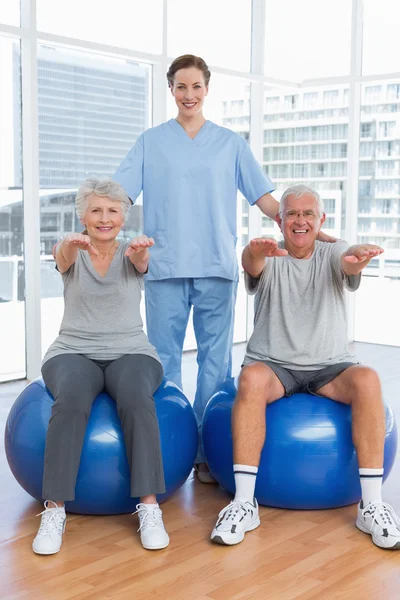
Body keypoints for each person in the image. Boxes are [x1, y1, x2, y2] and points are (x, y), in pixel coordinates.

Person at [113, 55, 335, 481]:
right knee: (164, 362)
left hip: (216, 265)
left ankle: (208, 453)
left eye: (196, 87)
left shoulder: (230, 144)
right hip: (165, 266)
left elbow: (265, 199)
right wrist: (97, 228)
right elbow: (120, 196)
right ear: (171, 90)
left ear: (207, 89)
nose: (189, 95)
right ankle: (172, 452)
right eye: (181, 87)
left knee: (215, 366)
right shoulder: (150, 142)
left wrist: (301, 226)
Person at [211, 184, 400, 550]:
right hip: (273, 363)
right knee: (249, 378)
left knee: (369, 380)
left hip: (330, 365)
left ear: (321, 220)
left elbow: (347, 260)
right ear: (280, 220)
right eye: (292, 214)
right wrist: (252, 252)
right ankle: (244, 503)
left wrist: (357, 258)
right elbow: (252, 265)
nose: (300, 220)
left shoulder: (334, 251)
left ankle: (372, 505)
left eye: (308, 213)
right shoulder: (268, 253)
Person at [33, 178, 169, 555]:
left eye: (112, 211)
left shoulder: (131, 251)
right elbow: (62, 256)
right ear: (83, 215)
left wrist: (141, 251)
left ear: (123, 217)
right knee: (72, 400)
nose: (104, 218)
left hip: (132, 351)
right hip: (73, 351)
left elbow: (141, 263)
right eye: (96, 210)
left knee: (135, 398)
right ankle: (54, 510)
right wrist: (67, 244)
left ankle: (149, 506)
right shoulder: (71, 250)